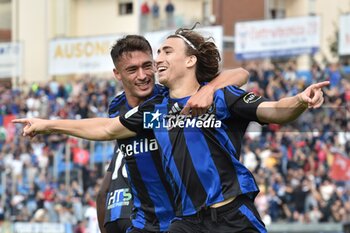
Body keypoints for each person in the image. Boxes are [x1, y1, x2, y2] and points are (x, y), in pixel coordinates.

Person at [13, 27, 328, 232]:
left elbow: (273, 109)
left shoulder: (220, 97)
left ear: (190, 61)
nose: (157, 60)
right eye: (158, 53)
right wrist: (47, 124)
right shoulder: (154, 111)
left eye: (165, 52)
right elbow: (107, 129)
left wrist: (300, 100)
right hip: (187, 223)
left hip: (232, 215)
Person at [52, 34, 249, 233]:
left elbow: (240, 73)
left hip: (184, 219)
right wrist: (48, 125)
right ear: (117, 74)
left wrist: (209, 90)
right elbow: (107, 137)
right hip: (144, 223)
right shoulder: (118, 109)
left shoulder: (169, 99)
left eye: (147, 66)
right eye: (132, 70)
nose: (143, 75)